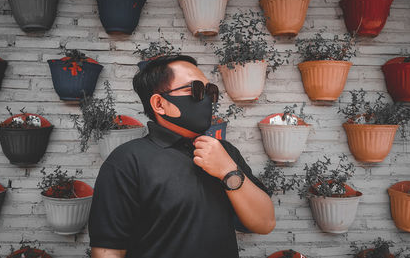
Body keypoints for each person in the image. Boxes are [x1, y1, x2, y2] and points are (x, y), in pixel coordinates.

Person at [88, 55, 275, 258]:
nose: (205, 99)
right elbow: (107, 250)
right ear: (159, 103)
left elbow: (265, 223)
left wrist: (228, 171)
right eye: (195, 90)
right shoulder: (127, 160)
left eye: (209, 91)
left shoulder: (225, 152)